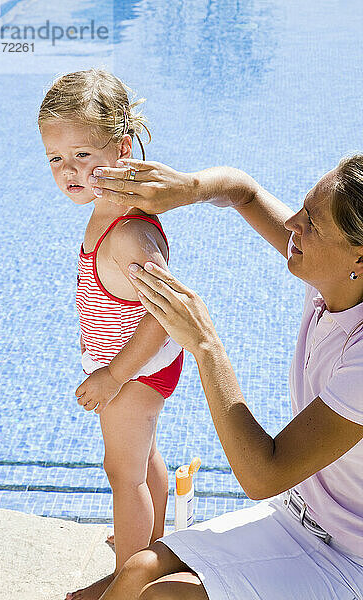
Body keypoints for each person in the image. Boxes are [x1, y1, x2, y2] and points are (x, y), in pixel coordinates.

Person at [79, 156, 363, 599]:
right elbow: (243, 191)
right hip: (299, 515)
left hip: (351, 559)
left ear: (358, 258)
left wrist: (205, 344)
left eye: (312, 223)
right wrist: (186, 188)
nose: (292, 223)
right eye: (303, 208)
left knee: (165, 595)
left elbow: (263, 475)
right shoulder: (334, 282)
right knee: (136, 571)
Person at [37, 68, 184, 600]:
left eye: (83, 155)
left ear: (122, 147)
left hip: (135, 368)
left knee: (123, 473)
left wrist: (113, 375)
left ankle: (129, 582)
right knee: (143, 462)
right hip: (133, 364)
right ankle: (155, 547)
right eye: (56, 158)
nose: (68, 170)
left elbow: (167, 313)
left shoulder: (128, 233)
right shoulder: (108, 209)